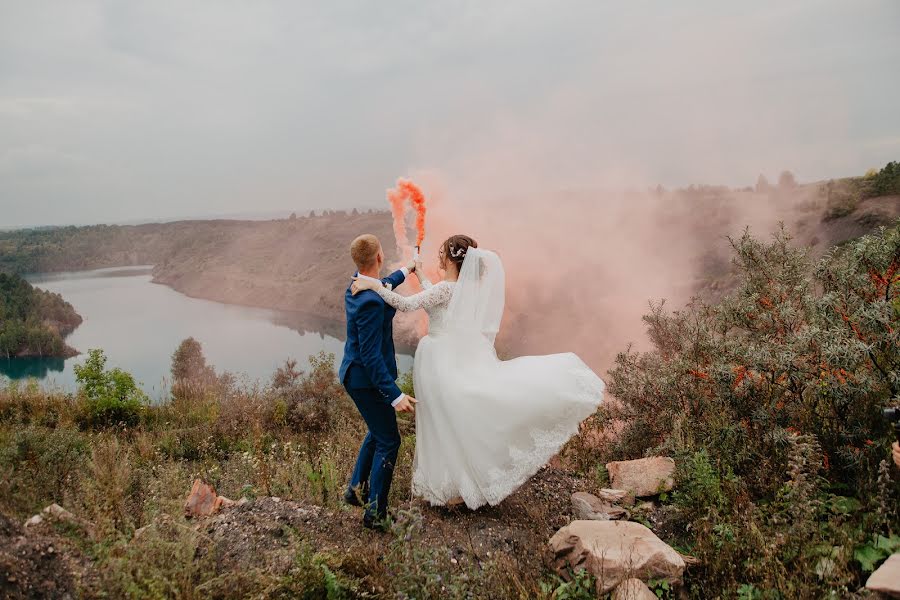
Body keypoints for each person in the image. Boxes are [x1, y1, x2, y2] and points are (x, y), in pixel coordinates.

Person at [351, 234, 605, 509]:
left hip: (437, 359)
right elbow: (437, 298)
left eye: (441, 255)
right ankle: (459, 481)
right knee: (451, 416)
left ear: (450, 259)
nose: (439, 258)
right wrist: (421, 274)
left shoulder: (445, 290)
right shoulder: (461, 288)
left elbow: (408, 304)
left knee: (442, 418)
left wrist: (374, 285)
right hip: (450, 353)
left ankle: (453, 482)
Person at [339, 234, 416, 530]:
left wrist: (408, 269)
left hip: (355, 375)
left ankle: (355, 489)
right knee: (389, 440)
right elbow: (371, 357)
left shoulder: (358, 284)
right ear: (380, 257)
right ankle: (375, 514)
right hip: (366, 379)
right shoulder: (370, 301)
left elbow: (385, 285)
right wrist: (395, 395)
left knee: (376, 432)